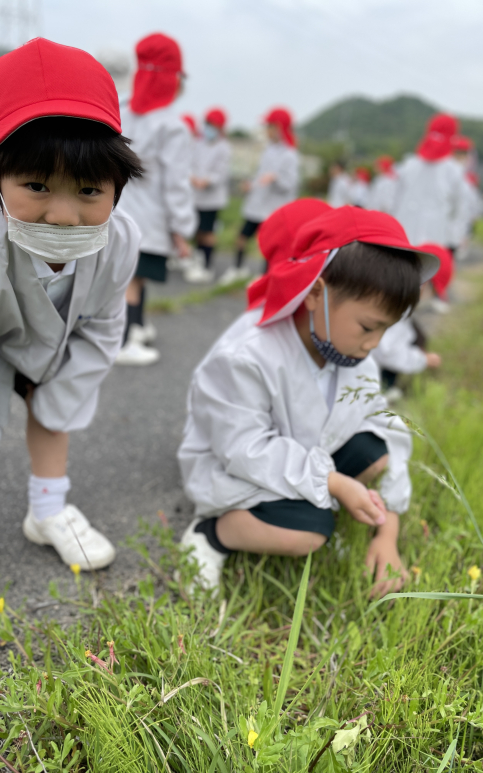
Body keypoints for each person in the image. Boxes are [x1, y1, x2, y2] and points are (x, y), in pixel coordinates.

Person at [0, 38, 143, 667]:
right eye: (35, 185)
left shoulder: (120, 240)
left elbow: (104, 325)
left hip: (61, 332)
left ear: (119, 186)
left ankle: (47, 510)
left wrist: (59, 388)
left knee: (59, 400)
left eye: (88, 190)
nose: (64, 215)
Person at [178, 206, 439, 595]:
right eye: (368, 327)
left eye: (385, 330)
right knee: (308, 534)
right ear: (316, 293)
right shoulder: (247, 357)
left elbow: (383, 424)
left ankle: (320, 504)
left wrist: (388, 533)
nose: (373, 345)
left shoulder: (351, 351)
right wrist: (332, 482)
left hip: (305, 455)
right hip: (237, 464)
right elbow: (244, 448)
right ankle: (212, 534)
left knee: (377, 451)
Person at [115, 33, 196, 365]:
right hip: (149, 215)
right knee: (131, 279)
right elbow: (175, 185)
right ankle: (121, 342)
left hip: (114, 208)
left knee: (131, 274)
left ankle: (136, 326)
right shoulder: (172, 126)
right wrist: (182, 228)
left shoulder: (119, 107)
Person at [218, 108, 299, 286]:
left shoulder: (290, 155)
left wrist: (276, 178)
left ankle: (265, 278)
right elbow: (261, 176)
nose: (266, 130)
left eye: (269, 126)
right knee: (242, 237)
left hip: (273, 208)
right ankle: (238, 269)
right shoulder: (269, 150)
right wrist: (251, 185)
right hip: (256, 205)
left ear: (279, 127)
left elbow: (290, 184)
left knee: (268, 245)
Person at [372, 242, 452, 401]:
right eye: (433, 292)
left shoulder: (395, 287)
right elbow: (388, 352)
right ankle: (382, 388)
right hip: (366, 364)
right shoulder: (396, 304)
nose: (428, 297)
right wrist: (423, 360)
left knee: (416, 334)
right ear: (425, 281)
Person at [393, 113, 464, 247]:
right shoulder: (454, 171)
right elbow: (459, 211)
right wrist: (454, 240)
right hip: (434, 246)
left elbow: (394, 202)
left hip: (402, 240)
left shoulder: (408, 164)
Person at [184, 108, 232, 284]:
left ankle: (207, 266)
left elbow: (222, 173)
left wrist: (207, 180)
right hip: (197, 195)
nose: (208, 128)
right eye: (207, 124)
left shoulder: (224, 147)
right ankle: (198, 262)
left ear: (220, 127)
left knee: (208, 231)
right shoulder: (198, 143)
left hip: (212, 198)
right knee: (197, 230)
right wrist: (192, 177)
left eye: (212, 125)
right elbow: (189, 163)